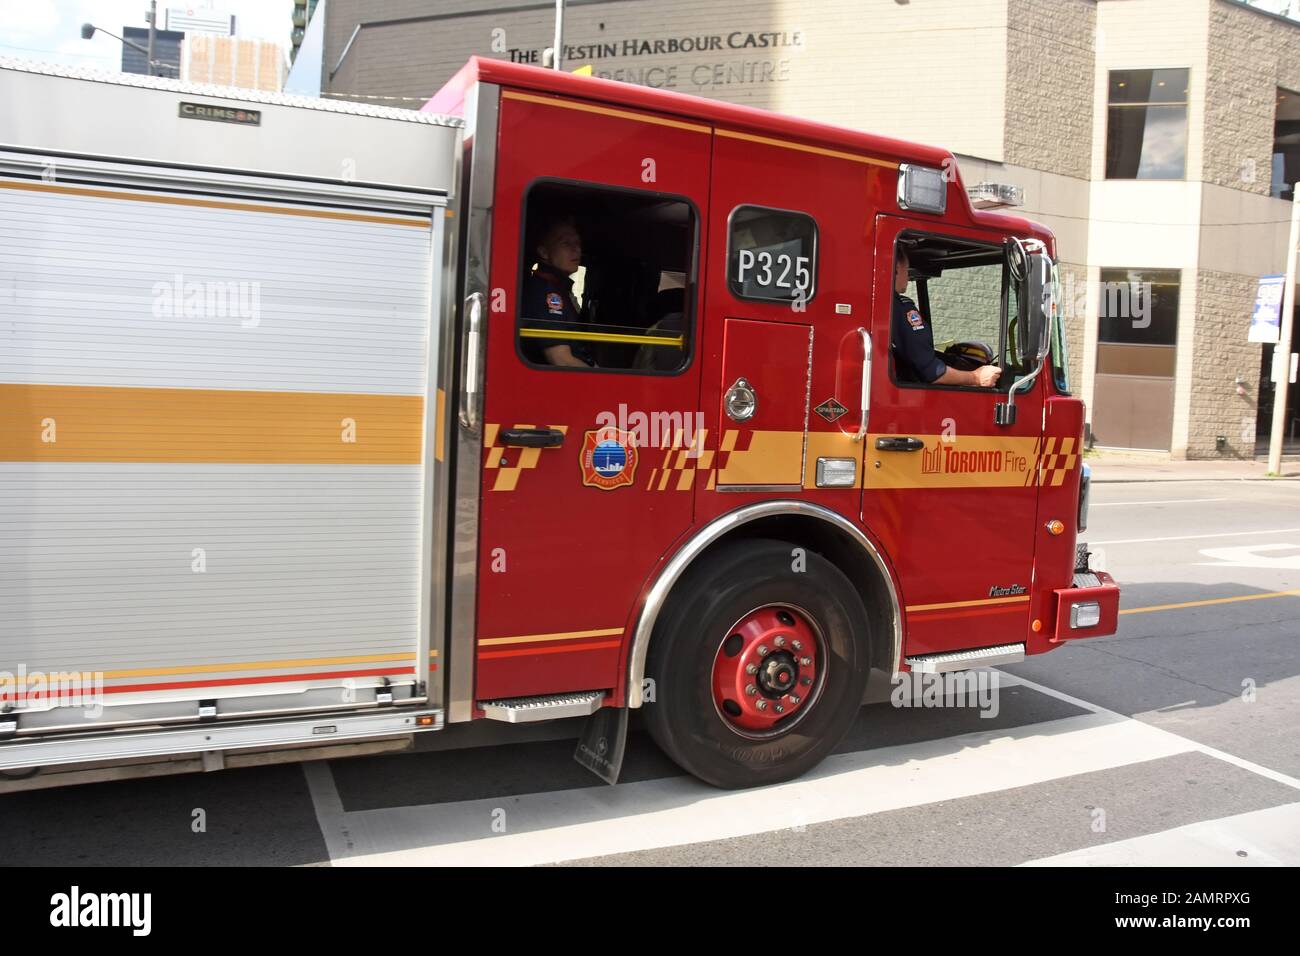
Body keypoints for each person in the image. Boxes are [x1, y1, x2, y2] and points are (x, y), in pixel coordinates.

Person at [892, 245, 1001, 388]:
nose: (908, 275)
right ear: (896, 267)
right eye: (906, 269)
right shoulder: (902, 309)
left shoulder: (884, 306)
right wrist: (976, 377)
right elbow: (932, 372)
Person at [521, 216, 595, 367]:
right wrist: (602, 380)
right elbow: (561, 359)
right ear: (544, 252)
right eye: (566, 243)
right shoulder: (546, 292)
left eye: (577, 243)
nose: (576, 249)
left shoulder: (558, 288)